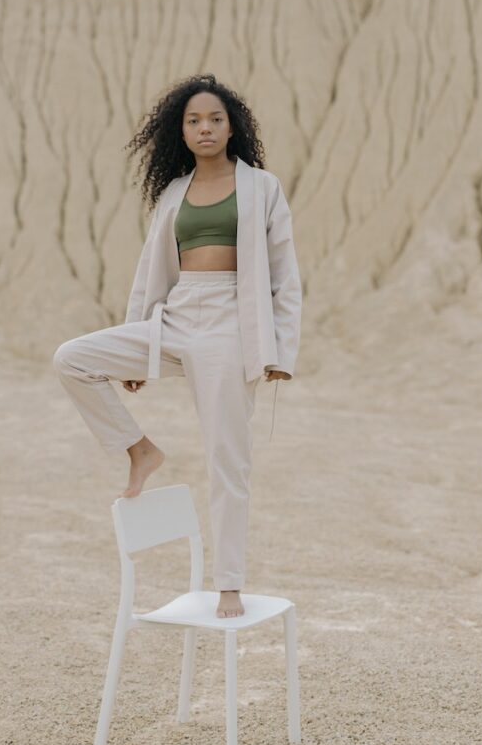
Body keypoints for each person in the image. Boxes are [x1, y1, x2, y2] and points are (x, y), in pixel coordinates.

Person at [53, 74, 301, 618]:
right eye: (193, 121)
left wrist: (279, 350)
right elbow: (153, 272)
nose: (204, 127)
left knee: (226, 457)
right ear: (180, 131)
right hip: (176, 317)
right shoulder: (173, 192)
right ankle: (140, 449)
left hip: (231, 328)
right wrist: (138, 341)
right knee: (72, 358)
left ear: (232, 125)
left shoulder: (262, 187)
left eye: (214, 118)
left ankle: (229, 582)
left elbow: (285, 273)